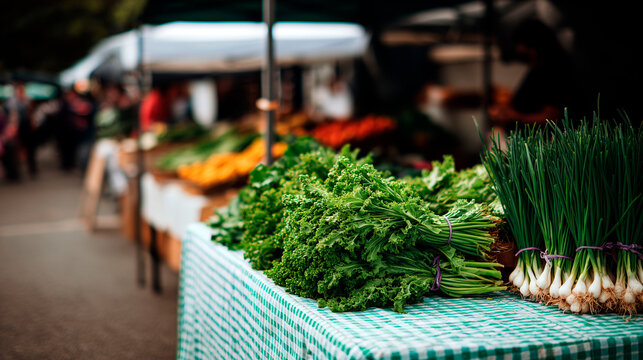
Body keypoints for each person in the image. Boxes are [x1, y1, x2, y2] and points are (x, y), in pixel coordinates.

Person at [489, 18, 577, 129]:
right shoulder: (537, 69)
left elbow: (552, 116)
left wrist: (516, 117)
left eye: (527, 50)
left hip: (542, 142)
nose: (521, 53)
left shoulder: (554, 71)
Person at [6, 82, 37, 177]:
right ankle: (17, 170)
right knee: (18, 148)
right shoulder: (12, 101)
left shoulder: (27, 99)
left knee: (30, 148)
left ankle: (32, 168)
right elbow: (12, 114)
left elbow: (31, 114)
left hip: (26, 126)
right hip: (18, 127)